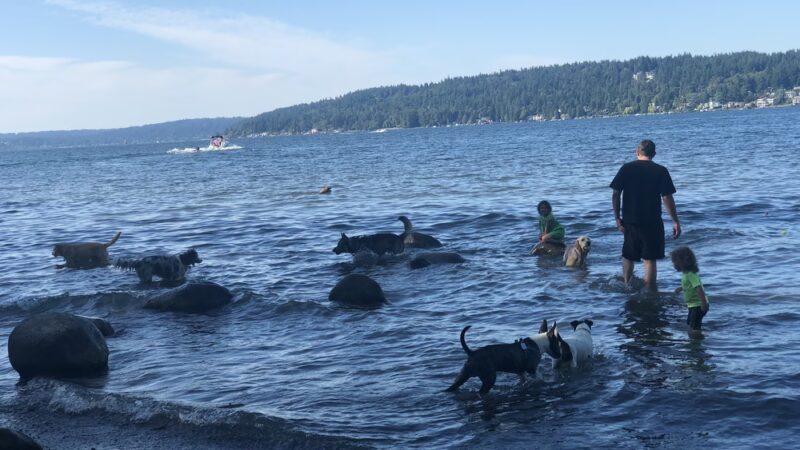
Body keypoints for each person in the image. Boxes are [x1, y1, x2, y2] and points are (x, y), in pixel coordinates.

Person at [610, 139, 680, 287]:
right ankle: (650, 292)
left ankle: (626, 284)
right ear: (654, 154)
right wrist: (675, 221)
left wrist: (617, 218)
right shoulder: (660, 170)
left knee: (628, 255)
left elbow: (616, 194)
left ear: (637, 152)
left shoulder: (626, 168)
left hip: (630, 220)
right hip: (652, 221)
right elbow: (666, 197)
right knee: (650, 258)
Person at [671, 246, 709, 335]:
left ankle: (696, 343)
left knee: (695, 327)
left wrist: (703, 304)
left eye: (674, 262)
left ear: (682, 262)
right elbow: (690, 286)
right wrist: (681, 288)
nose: (673, 265)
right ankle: (694, 339)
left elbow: (699, 288)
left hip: (698, 305)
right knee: (690, 323)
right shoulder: (686, 274)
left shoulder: (691, 274)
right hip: (693, 305)